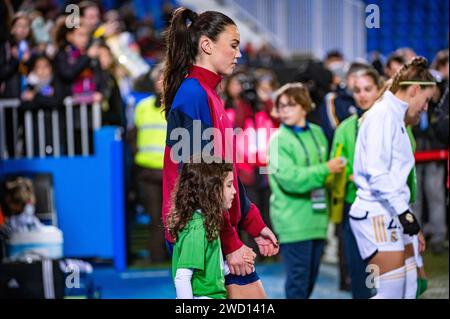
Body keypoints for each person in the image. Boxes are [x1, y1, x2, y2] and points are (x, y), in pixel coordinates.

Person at [161, 7, 279, 299]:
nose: (239, 54)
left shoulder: (208, 94)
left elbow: (226, 174)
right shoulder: (193, 95)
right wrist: (230, 242)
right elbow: (199, 181)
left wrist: (255, 223)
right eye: (234, 45)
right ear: (207, 45)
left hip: (214, 229)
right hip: (202, 234)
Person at [349, 57, 435, 299]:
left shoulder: (393, 116)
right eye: (426, 100)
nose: (425, 107)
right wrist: (406, 214)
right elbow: (377, 173)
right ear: (415, 90)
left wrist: (408, 219)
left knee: (409, 290)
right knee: (391, 295)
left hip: (389, 212)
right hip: (376, 213)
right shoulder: (383, 115)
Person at [268, 83, 345, 299]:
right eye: (281, 106)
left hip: (318, 219)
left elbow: (326, 172)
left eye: (290, 105)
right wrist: (326, 169)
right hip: (292, 221)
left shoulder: (318, 133)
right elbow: (290, 180)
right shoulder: (277, 141)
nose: (284, 110)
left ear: (304, 106)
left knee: (308, 282)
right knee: (298, 283)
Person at [330, 68, 382, 298]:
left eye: (368, 89)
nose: (362, 95)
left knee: (386, 275)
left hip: (385, 209)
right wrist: (351, 174)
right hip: (354, 206)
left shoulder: (390, 122)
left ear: (379, 90)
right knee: (359, 274)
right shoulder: (345, 127)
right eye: (357, 90)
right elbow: (336, 163)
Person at [168, 157, 239, 299]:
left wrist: (230, 267)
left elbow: (210, 267)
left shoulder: (207, 222)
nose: (235, 191)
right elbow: (182, 278)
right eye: (229, 185)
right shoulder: (197, 229)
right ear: (212, 190)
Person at [130, 63, 168, 263]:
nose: (160, 82)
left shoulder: (178, 104)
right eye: (157, 79)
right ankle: (157, 258)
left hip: (172, 172)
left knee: (175, 217)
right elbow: (133, 135)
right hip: (147, 172)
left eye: (164, 78)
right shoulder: (142, 106)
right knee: (155, 218)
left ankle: (180, 259)